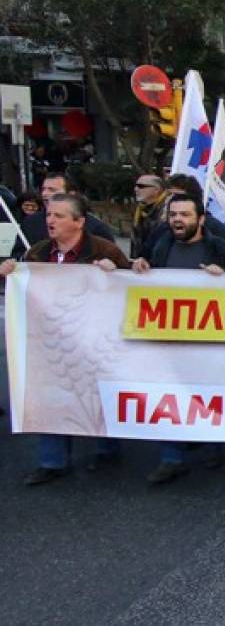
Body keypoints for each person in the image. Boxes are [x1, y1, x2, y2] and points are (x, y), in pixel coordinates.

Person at [1, 193, 131, 486]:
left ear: (79, 222)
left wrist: (117, 273)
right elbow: (22, 288)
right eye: (49, 215)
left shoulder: (104, 249)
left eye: (58, 216)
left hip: (93, 339)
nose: (50, 221)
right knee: (50, 395)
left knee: (95, 395)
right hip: (48, 341)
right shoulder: (37, 253)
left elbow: (132, 287)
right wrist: (9, 273)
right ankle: (52, 461)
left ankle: (106, 449)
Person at [132, 193, 225, 484]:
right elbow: (138, 266)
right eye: (173, 215)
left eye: (184, 214)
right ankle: (171, 458)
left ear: (200, 219)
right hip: (168, 340)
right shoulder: (160, 244)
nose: (178, 220)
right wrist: (137, 266)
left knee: (208, 395)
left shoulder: (221, 248)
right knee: (168, 395)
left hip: (210, 341)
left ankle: (213, 445)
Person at [13, 172, 115, 258]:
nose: (45, 194)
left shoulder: (96, 228)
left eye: (52, 190)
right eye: (43, 189)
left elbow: (114, 262)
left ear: (71, 194)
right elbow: (17, 255)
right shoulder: (30, 222)